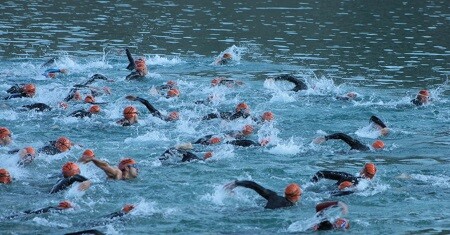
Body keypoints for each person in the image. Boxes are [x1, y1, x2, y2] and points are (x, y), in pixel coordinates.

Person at [224, 180, 302, 209]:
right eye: (300, 194)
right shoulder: (289, 206)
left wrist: (236, 183)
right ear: (295, 196)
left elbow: (254, 185)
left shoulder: (273, 195)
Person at [310, 163, 377, 196]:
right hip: (331, 195)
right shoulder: (368, 186)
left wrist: (310, 184)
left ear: (363, 171)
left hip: (322, 192)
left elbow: (320, 173)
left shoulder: (347, 176)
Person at [3, 201, 73, 220]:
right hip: (36, 213)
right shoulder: (58, 210)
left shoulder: (54, 207)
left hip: (35, 210)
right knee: (22, 216)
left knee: (18, 214)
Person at [313, 133, 385, 151]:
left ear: (372, 144)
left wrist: (326, 137)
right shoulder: (367, 150)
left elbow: (341, 135)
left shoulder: (360, 146)